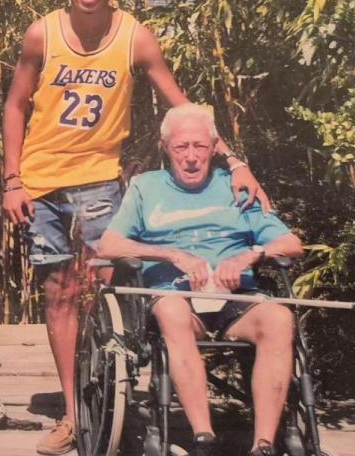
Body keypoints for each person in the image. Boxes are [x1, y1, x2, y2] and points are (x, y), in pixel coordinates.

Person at [0, 0, 271, 455]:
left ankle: (120, 395)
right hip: (40, 183)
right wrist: (11, 180)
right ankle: (75, 416)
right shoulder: (43, 34)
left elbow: (180, 106)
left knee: (109, 290)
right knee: (58, 295)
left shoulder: (135, 36)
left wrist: (234, 160)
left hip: (100, 178)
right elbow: (15, 105)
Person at [97, 103, 301, 456]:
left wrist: (250, 255)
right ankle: (204, 437)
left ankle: (264, 444)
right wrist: (171, 255)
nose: (191, 157)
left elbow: (292, 243)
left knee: (280, 318)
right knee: (173, 312)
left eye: (199, 147)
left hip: (236, 301)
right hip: (176, 301)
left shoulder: (238, 187)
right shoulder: (146, 187)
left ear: (213, 147)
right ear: (166, 148)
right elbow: (109, 244)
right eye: (181, 147)